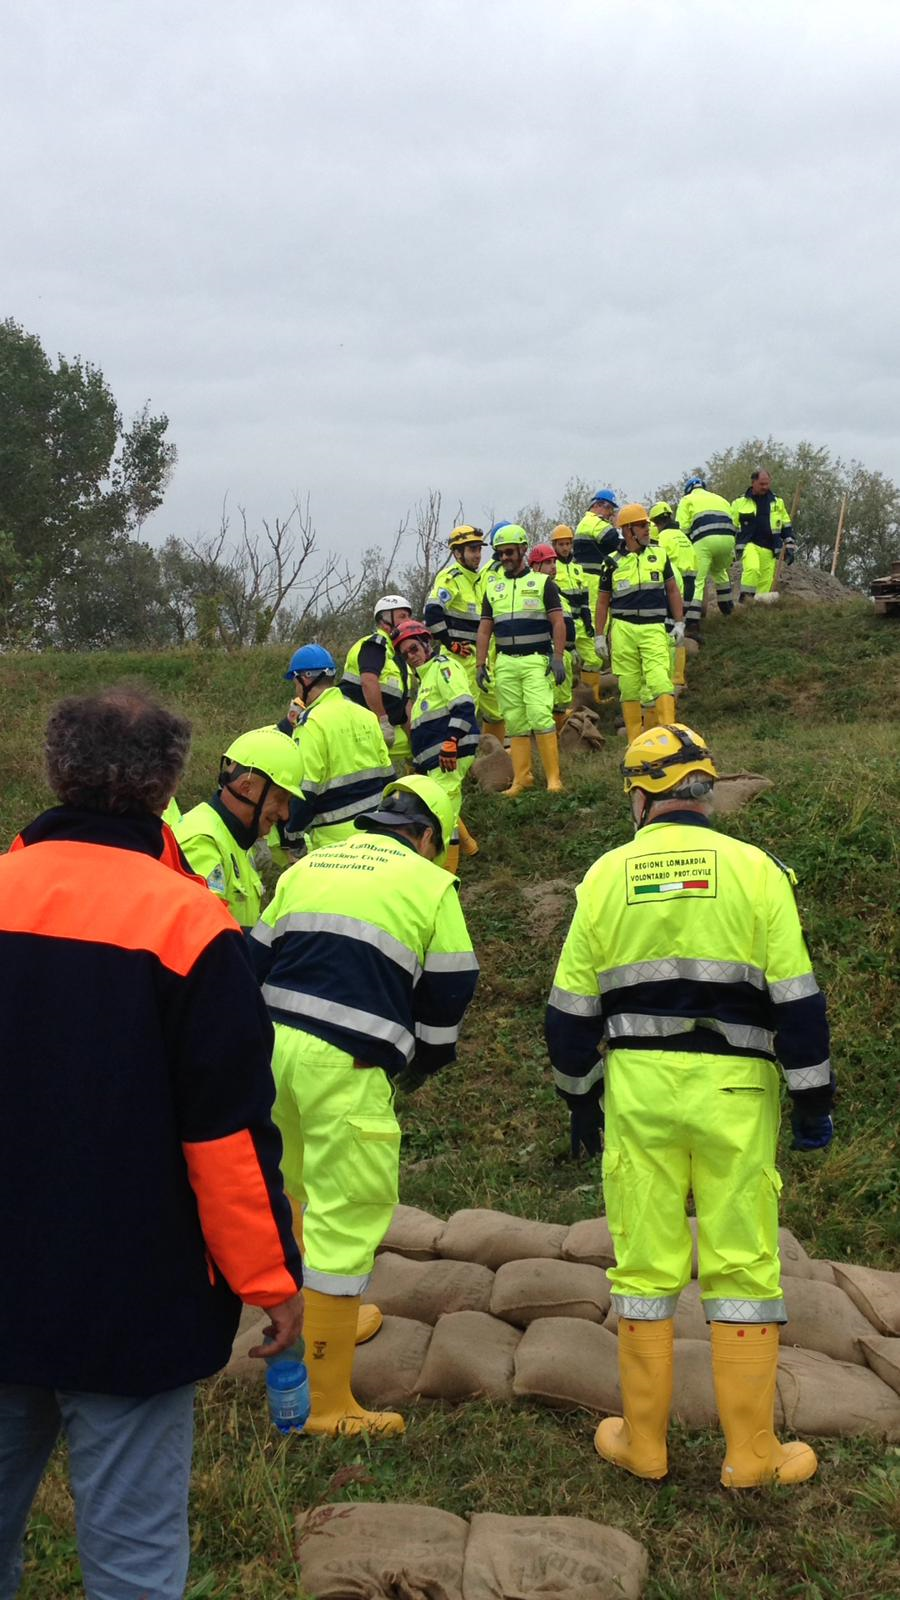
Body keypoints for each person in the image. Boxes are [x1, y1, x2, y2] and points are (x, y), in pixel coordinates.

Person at [0, 687, 302, 1600]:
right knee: (133, 1562)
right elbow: (226, 1141)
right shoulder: (194, 929)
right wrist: (270, 1281)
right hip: (133, 1304)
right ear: (168, 784)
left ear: (56, 770)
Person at [545, 721, 834, 1489]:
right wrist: (813, 1103)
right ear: (706, 788)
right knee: (742, 1262)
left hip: (638, 1090)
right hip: (738, 1092)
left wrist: (581, 1097)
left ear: (641, 797)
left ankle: (644, 1443)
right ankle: (752, 1456)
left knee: (643, 1263)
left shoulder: (605, 876)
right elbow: (798, 1002)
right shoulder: (757, 871)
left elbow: (569, 1013)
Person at [248, 775, 478, 1437]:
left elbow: (253, 957)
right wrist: (429, 1055)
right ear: (428, 834)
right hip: (343, 1063)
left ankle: (312, 1319)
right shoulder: (429, 882)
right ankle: (327, 1406)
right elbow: (452, 983)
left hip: (271, 1049)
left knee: (292, 1191)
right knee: (346, 1220)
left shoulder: (311, 862)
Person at [175, 726, 303, 927]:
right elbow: (203, 936)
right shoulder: (203, 841)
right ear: (246, 788)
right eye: (279, 799)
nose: (285, 813)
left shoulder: (235, 840)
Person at [475, 524, 567, 795]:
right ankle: (521, 779)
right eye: (500, 554)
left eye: (509, 552)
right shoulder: (493, 587)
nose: (505, 558)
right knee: (514, 721)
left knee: (540, 715)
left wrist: (558, 657)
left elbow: (558, 622)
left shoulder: (542, 583)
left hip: (536, 659)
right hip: (505, 662)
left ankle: (553, 779)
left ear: (523, 550)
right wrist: (480, 664)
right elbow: (484, 628)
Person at [281, 644, 395, 853]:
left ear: (304, 679)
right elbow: (389, 779)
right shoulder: (365, 715)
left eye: (295, 682)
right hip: (378, 832)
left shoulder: (312, 723)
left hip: (334, 842)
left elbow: (305, 790)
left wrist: (292, 835)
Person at [392, 618, 480, 872]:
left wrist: (451, 742)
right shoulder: (424, 680)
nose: (410, 657)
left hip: (450, 755)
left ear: (426, 644)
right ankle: (469, 848)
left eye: (413, 649)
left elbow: (463, 705)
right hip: (437, 759)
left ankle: (445, 876)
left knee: (443, 816)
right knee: (443, 809)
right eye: (405, 654)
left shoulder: (443, 668)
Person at [593, 504, 684, 745]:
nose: (648, 529)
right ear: (628, 530)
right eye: (643, 526)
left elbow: (673, 590)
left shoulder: (660, 555)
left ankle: (670, 736)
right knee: (630, 687)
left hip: (654, 628)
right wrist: (599, 635)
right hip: (623, 630)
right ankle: (636, 744)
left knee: (660, 681)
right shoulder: (610, 563)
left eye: (648, 525)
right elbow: (602, 603)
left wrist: (679, 622)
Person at [340, 595, 414, 760]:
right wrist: (383, 721)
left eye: (409, 616)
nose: (408, 621)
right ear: (384, 621)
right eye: (402, 616)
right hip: (354, 726)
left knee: (425, 746)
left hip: (381, 729)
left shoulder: (399, 657)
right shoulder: (376, 644)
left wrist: (415, 737)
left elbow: (405, 703)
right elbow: (368, 681)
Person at [550, 523, 605, 707]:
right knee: (564, 664)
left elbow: (584, 597)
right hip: (562, 624)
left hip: (579, 623)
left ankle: (590, 699)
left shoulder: (577, 568)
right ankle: (561, 704)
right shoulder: (552, 567)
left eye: (568, 544)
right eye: (561, 544)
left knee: (595, 660)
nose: (565, 548)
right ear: (554, 546)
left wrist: (588, 621)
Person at [675, 476, 738, 636]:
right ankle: (728, 610)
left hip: (705, 540)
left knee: (698, 580)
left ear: (688, 490)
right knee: (720, 573)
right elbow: (734, 522)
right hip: (728, 540)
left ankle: (693, 623)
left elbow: (682, 528)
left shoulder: (687, 500)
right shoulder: (721, 499)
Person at [648, 502, 696, 704]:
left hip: (672, 582)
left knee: (668, 631)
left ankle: (669, 678)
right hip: (688, 584)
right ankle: (678, 677)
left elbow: (658, 561)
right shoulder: (684, 537)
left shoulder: (663, 538)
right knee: (679, 628)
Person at [527, 543, 577, 732]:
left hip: (564, 652)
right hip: (547, 652)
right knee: (549, 697)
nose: (553, 567)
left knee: (563, 698)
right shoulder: (533, 590)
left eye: (554, 562)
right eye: (547, 563)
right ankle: (546, 735)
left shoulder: (557, 590)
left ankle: (560, 735)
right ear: (535, 566)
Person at [731, 470, 796, 604]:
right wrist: (729, 551)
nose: (765, 487)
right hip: (749, 544)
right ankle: (745, 600)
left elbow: (786, 527)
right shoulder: (739, 503)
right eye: (761, 484)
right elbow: (730, 527)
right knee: (752, 569)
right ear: (753, 483)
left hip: (771, 548)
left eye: (767, 484)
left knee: (765, 585)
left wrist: (790, 546)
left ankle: (757, 610)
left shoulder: (778, 503)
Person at [573, 489, 621, 583]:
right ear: (597, 505)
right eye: (609, 508)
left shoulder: (585, 522)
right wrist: (618, 525)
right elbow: (618, 541)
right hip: (595, 581)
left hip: (585, 579)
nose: (611, 512)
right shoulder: (595, 522)